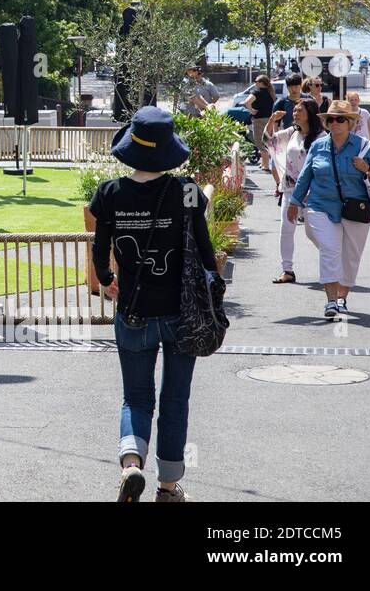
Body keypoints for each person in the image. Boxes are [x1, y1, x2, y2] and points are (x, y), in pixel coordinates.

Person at [90, 107, 219, 503]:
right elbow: (205, 253)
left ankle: (131, 464)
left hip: (133, 311)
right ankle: (167, 485)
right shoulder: (187, 192)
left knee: (136, 396)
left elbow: (100, 253)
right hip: (183, 314)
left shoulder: (111, 193)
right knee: (175, 398)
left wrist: (109, 281)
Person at [288, 101, 370, 319]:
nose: (334, 123)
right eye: (330, 119)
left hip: (355, 209)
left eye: (340, 119)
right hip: (320, 205)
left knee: (350, 257)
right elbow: (305, 176)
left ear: (350, 122)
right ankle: (331, 301)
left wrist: (367, 168)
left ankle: (342, 299)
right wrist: (295, 202)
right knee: (330, 249)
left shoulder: (364, 147)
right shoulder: (318, 146)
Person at [263, 97, 322, 284]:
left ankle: (334, 258)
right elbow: (268, 141)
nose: (295, 114)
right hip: (290, 190)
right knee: (286, 229)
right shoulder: (291, 133)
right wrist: (272, 121)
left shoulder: (322, 137)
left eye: (299, 111)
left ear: (310, 114)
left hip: (314, 192)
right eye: (294, 110)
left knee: (313, 232)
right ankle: (287, 270)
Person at [243, 73, 275, 170]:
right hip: (270, 119)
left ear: (261, 83)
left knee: (259, 141)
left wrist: (251, 110)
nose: (255, 83)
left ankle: (265, 165)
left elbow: (246, 102)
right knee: (267, 140)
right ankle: (264, 163)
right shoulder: (271, 93)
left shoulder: (257, 92)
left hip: (259, 119)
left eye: (256, 81)